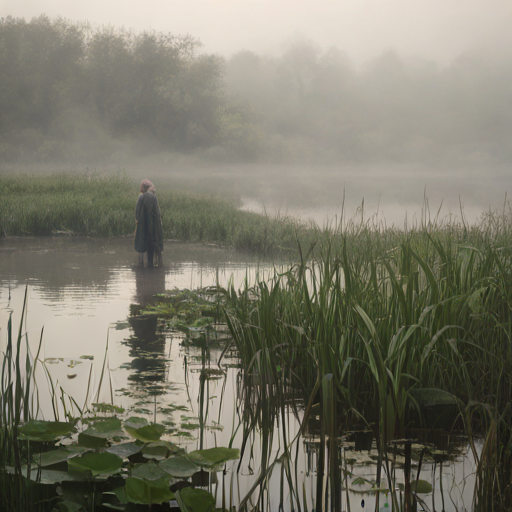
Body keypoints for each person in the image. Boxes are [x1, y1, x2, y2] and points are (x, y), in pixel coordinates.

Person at [134, 179, 163, 267]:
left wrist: (138, 223)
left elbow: (137, 213)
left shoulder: (140, 197)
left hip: (143, 227)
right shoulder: (154, 198)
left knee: (145, 245)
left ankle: (144, 266)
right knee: (153, 245)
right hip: (154, 227)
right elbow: (158, 214)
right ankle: (154, 264)